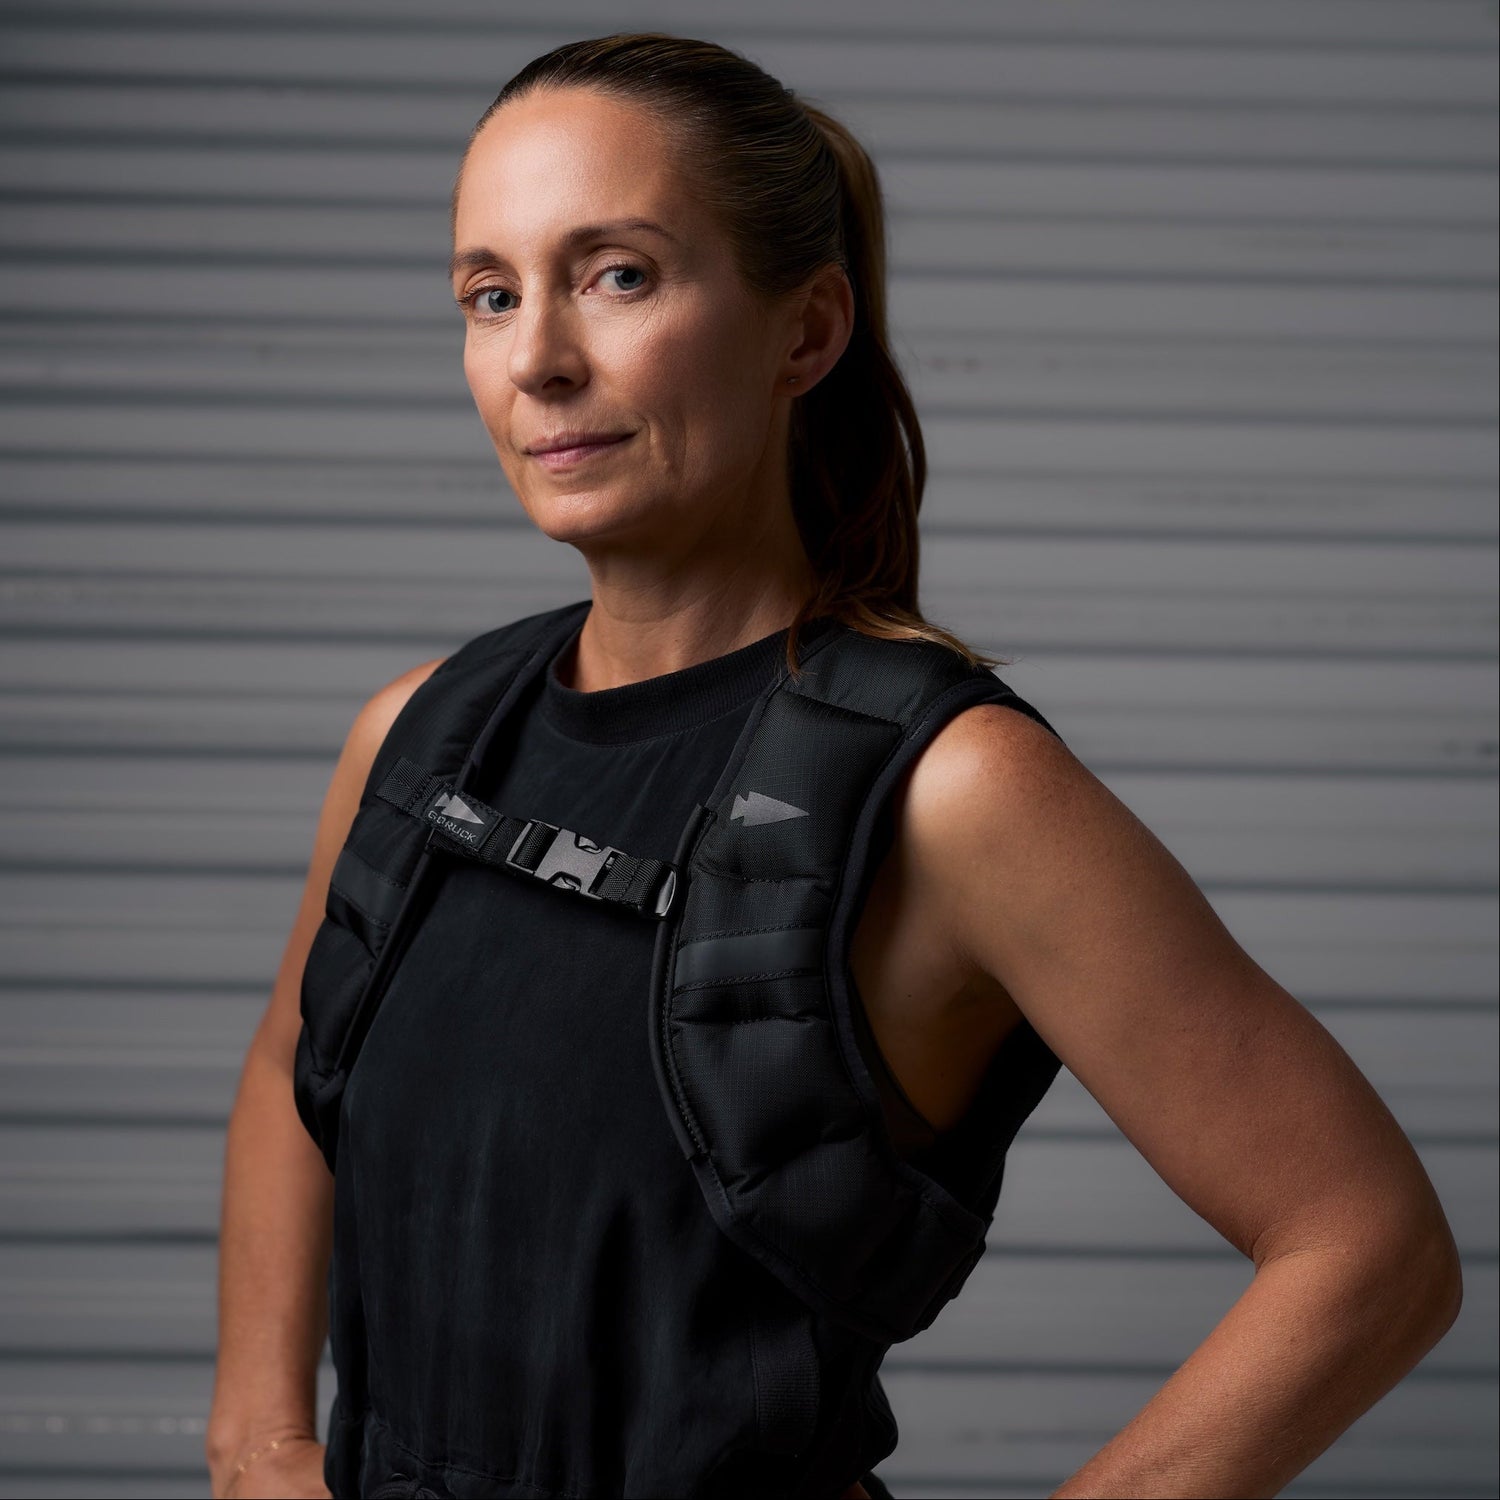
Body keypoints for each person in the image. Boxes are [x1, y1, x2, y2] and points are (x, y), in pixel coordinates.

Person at [205, 32, 1463, 1500]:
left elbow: (1370, 1246)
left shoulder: (951, 791)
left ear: (806, 334)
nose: (539, 356)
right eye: (491, 294)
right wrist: (256, 1438)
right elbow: (297, 1062)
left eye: (618, 275)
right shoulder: (421, 731)